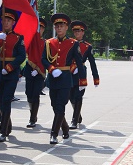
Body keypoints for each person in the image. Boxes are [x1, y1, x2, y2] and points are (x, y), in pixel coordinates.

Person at [43, 13, 83, 144]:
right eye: (57, 26)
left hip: (66, 79)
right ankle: (65, 129)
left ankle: (54, 134)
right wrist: (51, 69)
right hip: (53, 78)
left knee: (60, 106)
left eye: (62, 26)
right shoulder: (49, 43)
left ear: (66, 28)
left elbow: (79, 61)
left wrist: (82, 81)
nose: (59, 28)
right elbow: (43, 59)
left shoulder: (73, 43)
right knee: (55, 106)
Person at [0, 10, 26, 142]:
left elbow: (21, 56)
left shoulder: (18, 38)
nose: (6, 22)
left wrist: (9, 67)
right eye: (4, 20)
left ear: (13, 23)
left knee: (6, 99)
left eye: (9, 20)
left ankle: (2, 131)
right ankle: (8, 124)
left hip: (10, 73)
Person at [70, 20, 100, 129]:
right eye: (75, 31)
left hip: (81, 72)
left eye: (79, 31)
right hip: (69, 72)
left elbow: (92, 63)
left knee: (78, 96)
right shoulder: (70, 43)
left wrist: (95, 78)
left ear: (83, 32)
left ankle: (74, 120)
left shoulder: (87, 47)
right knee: (70, 97)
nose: (77, 33)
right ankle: (78, 115)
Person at [24, 18, 47, 128]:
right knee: (28, 94)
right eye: (38, 27)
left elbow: (45, 58)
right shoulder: (30, 40)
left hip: (40, 71)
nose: (39, 30)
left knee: (35, 94)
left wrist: (38, 69)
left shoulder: (46, 43)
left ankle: (33, 118)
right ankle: (32, 111)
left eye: (41, 28)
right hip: (29, 68)